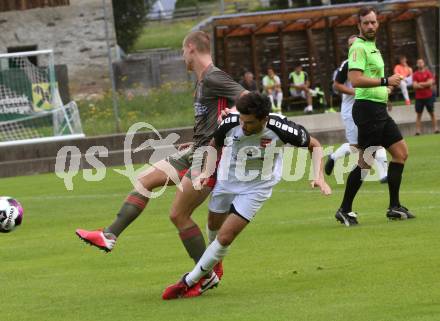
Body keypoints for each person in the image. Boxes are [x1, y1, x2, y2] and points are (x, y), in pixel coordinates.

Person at [76, 31, 247, 277]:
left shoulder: (213, 76)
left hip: (209, 157)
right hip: (195, 150)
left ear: (190, 48)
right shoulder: (201, 81)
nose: (182, 57)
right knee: (144, 181)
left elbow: (247, 99)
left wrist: (230, 116)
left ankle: (206, 273)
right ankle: (109, 235)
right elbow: (212, 118)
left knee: (179, 214)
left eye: (181, 51)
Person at [162, 92, 331, 300]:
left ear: (263, 119)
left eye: (249, 122)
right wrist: (206, 171)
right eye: (242, 120)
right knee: (213, 225)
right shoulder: (232, 121)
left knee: (226, 236)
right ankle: (214, 263)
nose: (243, 126)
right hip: (227, 178)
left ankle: (190, 281)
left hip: (258, 186)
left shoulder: (282, 128)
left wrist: (319, 176)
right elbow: (214, 144)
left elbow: (315, 145)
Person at [335, 6, 415, 227]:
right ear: (359, 25)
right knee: (366, 161)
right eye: (366, 23)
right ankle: (344, 210)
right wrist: (385, 82)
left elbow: (372, 80)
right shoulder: (358, 48)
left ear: (377, 23)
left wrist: (386, 90)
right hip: (367, 110)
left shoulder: (372, 47)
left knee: (401, 153)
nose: (371, 26)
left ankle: (394, 206)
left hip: (377, 107)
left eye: (373, 22)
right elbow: (356, 80)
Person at [325, 35, 388, 183]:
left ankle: (384, 175)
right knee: (356, 147)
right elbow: (336, 85)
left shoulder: (371, 61)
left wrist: (384, 98)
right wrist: (355, 92)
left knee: (377, 139)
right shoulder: (347, 64)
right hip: (350, 110)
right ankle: (334, 157)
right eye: (350, 45)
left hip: (370, 106)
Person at [412, 58, 439, 135]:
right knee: (418, 114)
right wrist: (425, 84)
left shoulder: (428, 73)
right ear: (417, 64)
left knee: (432, 113)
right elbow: (414, 85)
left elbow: (430, 83)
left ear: (424, 64)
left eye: (421, 62)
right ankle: (418, 131)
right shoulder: (415, 74)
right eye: (418, 63)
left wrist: (420, 84)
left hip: (428, 96)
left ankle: (436, 129)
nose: (420, 64)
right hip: (419, 98)